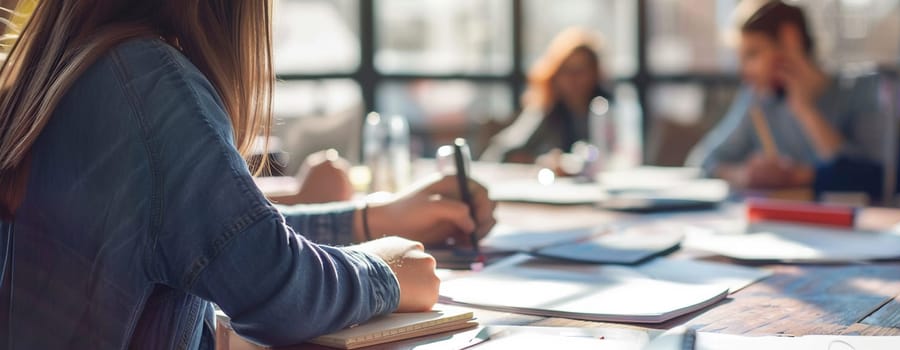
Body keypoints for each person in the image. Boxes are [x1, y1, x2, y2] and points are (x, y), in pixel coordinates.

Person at [0, 1, 495, 348]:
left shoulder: (66, 70)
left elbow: (215, 236)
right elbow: (271, 283)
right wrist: (384, 274)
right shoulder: (145, 78)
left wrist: (370, 218)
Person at [686, 0, 886, 191]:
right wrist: (743, 175)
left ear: (790, 39)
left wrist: (805, 110)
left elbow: (874, 177)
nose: (745, 72)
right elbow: (702, 161)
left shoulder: (859, 90)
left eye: (753, 54)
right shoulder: (758, 99)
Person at [482, 27, 611, 166]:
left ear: (594, 73)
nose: (574, 79)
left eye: (581, 70)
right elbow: (499, 154)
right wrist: (541, 161)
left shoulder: (609, 108)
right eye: (566, 71)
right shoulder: (546, 110)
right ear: (555, 74)